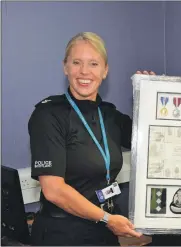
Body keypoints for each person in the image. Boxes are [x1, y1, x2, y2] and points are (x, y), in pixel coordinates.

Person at [29, 32, 142, 246]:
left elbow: (153, 139)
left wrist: (148, 93)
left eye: (93, 64)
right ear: (65, 67)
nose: (84, 71)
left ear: (105, 70)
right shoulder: (48, 115)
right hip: (63, 233)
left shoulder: (110, 115)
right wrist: (107, 219)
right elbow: (53, 190)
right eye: (76, 62)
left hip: (105, 231)